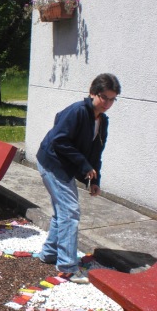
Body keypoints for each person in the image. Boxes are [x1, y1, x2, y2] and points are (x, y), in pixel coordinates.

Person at [36, 73, 121, 284]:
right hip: (52, 162)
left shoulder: (102, 121)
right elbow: (59, 141)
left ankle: (49, 253)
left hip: (65, 166)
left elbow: (96, 153)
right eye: (104, 97)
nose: (108, 103)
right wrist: (84, 165)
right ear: (92, 93)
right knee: (70, 211)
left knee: (63, 211)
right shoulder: (77, 111)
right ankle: (66, 267)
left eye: (112, 99)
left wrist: (95, 181)